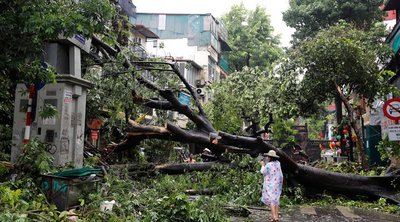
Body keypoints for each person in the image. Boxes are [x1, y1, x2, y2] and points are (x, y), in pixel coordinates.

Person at [259, 150, 283, 222]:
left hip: (271, 184)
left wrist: (262, 165)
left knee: (271, 200)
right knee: (276, 200)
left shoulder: (269, 165)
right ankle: (276, 216)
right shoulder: (278, 163)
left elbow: (263, 172)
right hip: (278, 184)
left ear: (269, 157)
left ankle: (274, 217)